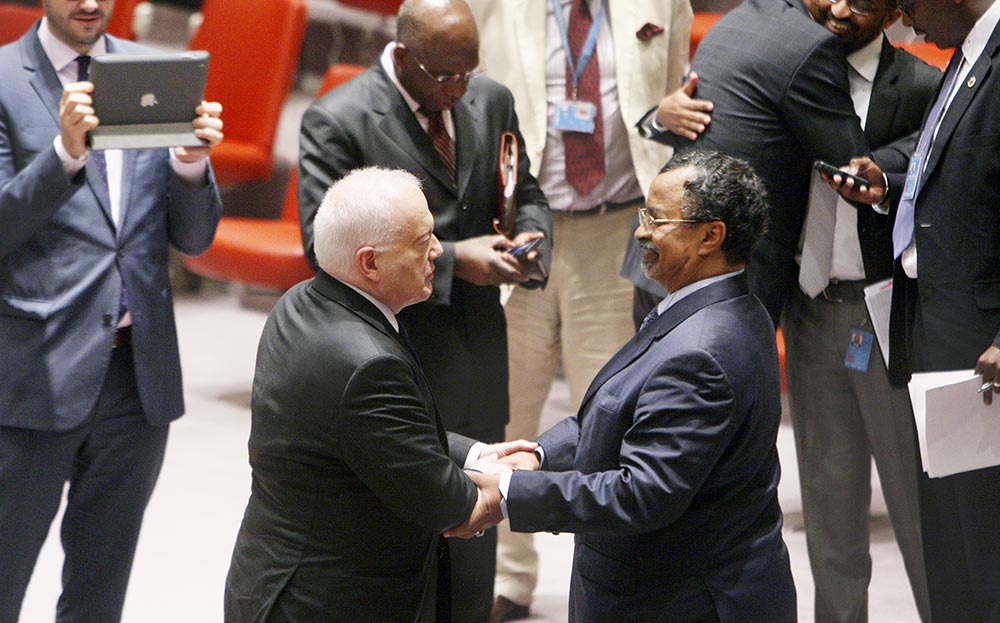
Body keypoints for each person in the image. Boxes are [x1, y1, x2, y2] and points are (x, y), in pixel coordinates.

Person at [452, 151, 797, 623]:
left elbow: (642, 494)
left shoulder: (701, 351)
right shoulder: (717, 304)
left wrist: (512, 491)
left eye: (657, 219)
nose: (641, 232)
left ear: (709, 235)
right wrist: (539, 455)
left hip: (679, 602)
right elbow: (616, 410)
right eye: (643, 215)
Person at [297, 3, 551, 619]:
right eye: (445, 76)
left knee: (474, 540)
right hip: (394, 360)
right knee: (403, 537)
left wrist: (532, 241)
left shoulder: (488, 98)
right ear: (404, 55)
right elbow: (319, 248)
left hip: (481, 353)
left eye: (469, 70)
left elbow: (528, 193)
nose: (459, 88)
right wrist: (454, 258)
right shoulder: (339, 118)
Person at [224, 167, 533, 623]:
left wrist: (478, 454)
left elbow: (375, 436)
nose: (437, 253)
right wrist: (521, 476)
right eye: (422, 241)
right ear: (369, 263)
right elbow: (455, 508)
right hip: (327, 602)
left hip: (276, 578)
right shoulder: (368, 364)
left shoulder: (302, 302)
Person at [463, 2, 692, 619]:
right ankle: (507, 576)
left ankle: (607, 580)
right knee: (509, 407)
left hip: (618, 228)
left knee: (611, 422)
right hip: (519, 229)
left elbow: (677, 96)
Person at [0, 0, 224, 621]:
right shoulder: (2, 81)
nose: (91, 3)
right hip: (32, 377)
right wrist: (64, 156)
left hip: (136, 378)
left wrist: (191, 163)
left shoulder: (158, 74)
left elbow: (195, 239)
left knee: (101, 588)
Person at [828, 2, 1000, 620]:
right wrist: (891, 178)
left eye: (909, 2)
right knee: (951, 544)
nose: (902, 19)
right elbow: (953, 160)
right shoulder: (967, 53)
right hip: (936, 334)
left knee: (986, 547)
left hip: (985, 353)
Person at [778, 1, 940, 621]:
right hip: (812, 307)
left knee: (917, 507)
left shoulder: (924, 86)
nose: (840, 8)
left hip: (892, 314)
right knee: (828, 510)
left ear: (896, 10)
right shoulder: (784, 71)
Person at [630, 0, 878, 326]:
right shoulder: (810, 45)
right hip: (726, 273)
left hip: (661, 256)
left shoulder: (741, 17)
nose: (840, 9)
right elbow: (854, 169)